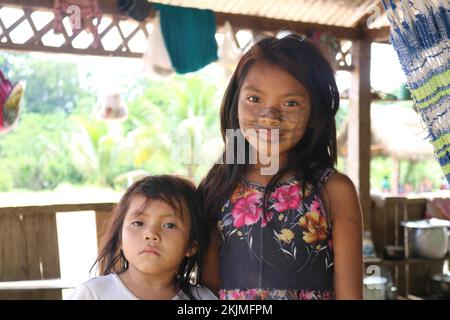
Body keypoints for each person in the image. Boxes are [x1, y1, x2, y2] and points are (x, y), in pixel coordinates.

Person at [198, 34, 363, 300]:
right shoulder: (217, 187)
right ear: (234, 102)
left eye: (290, 103)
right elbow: (206, 293)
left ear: (314, 114)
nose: (269, 116)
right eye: (254, 99)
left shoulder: (333, 190)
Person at [68, 175, 217, 300]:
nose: (151, 234)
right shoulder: (93, 294)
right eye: (138, 223)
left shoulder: (203, 299)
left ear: (191, 245)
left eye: (169, 225)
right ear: (120, 237)